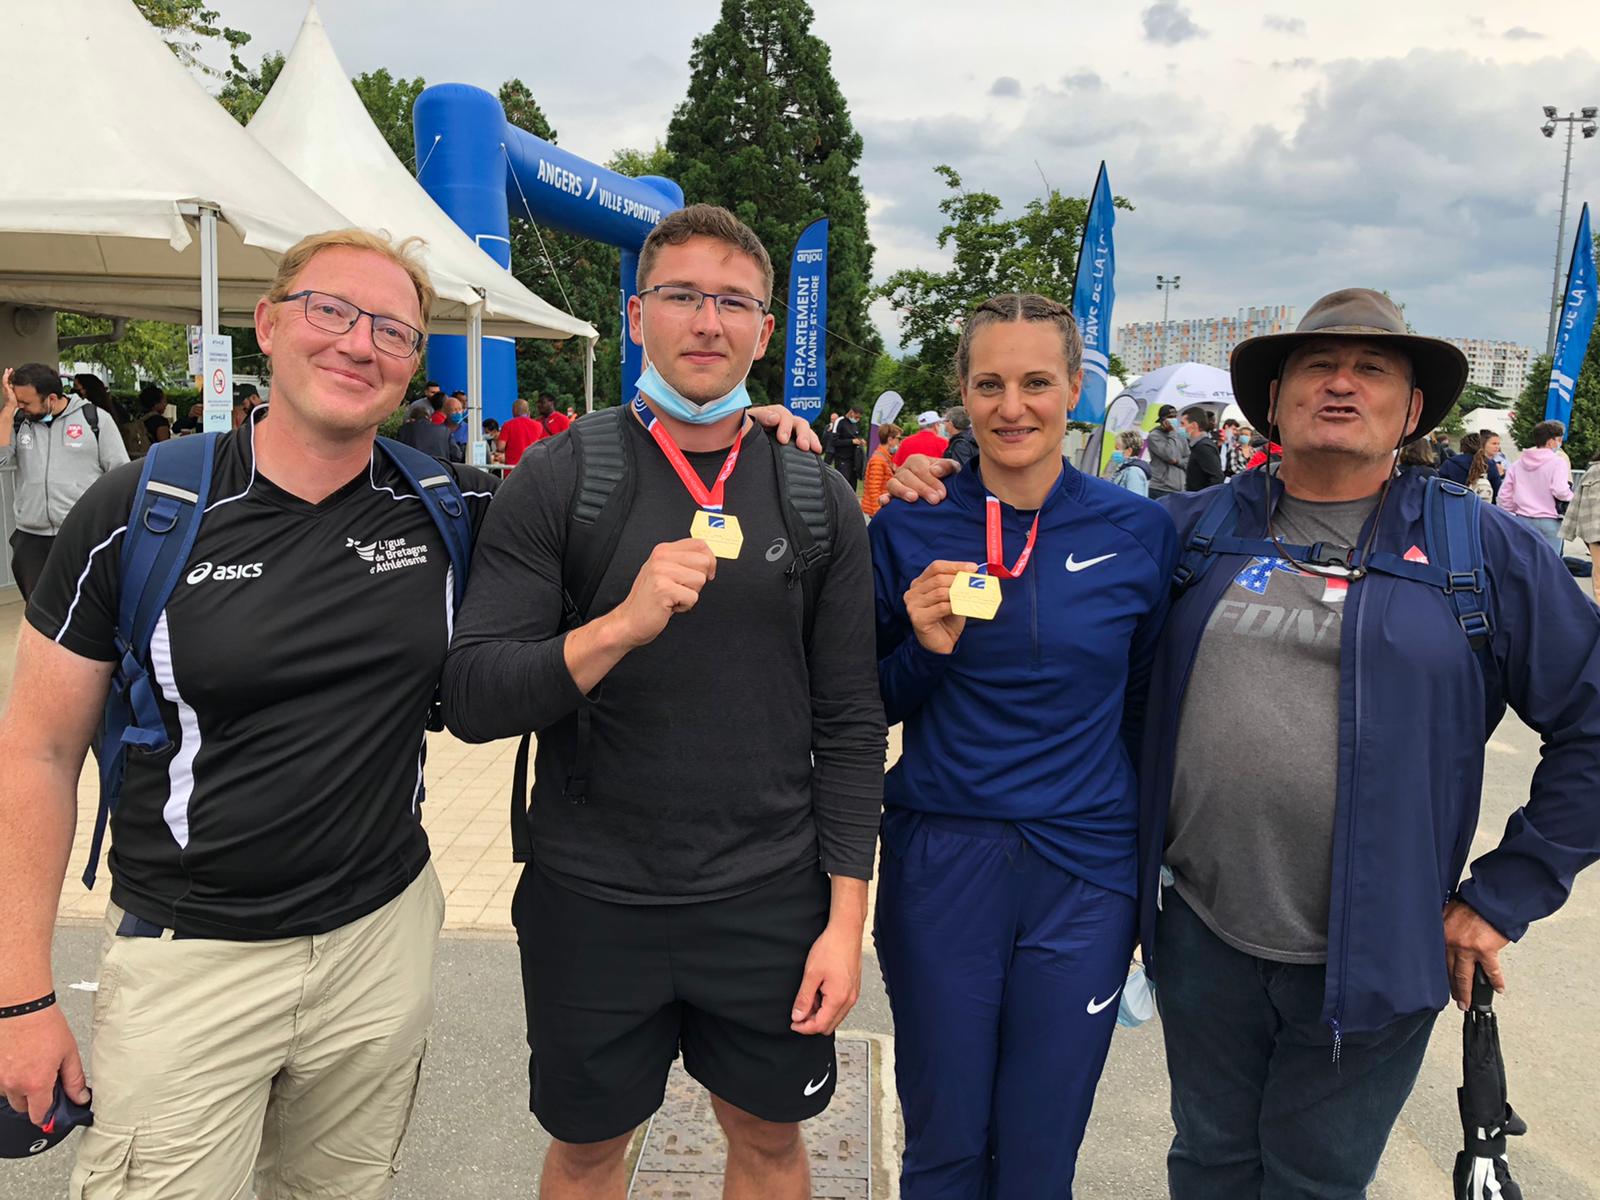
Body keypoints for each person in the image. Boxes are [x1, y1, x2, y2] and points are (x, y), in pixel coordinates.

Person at [880, 287, 1600, 1200]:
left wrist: (1502, 897)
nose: (1341, 386)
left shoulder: (1483, 550)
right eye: (1317, 367)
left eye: (1372, 370)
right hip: (1201, 933)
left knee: (1313, 1181)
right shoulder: (1183, 531)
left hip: (1378, 946)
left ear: (1413, 408)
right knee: (1209, 1165)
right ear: (1274, 399)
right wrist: (933, 474)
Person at [0, 229, 498, 1199]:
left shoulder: (443, 506)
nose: (359, 343)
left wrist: (747, 432)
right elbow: (37, 751)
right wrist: (20, 994)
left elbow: (601, 513)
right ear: (267, 324)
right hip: (193, 960)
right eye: (330, 310)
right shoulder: (138, 509)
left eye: (393, 330)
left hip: (380, 940)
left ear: (410, 368)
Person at [441, 203, 881, 1200]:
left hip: (769, 896)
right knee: (590, 1151)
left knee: (768, 1144)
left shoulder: (814, 495)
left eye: (735, 302)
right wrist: (619, 626)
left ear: (766, 330)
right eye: (682, 296)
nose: (708, 322)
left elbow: (851, 721)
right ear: (636, 313)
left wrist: (843, 918)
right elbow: (472, 695)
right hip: (591, 898)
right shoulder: (562, 476)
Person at [869, 294, 1175, 1197]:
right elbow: (861, 705)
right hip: (942, 862)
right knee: (947, 1147)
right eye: (990, 383)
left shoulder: (1138, 533)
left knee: (1040, 1158)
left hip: (1083, 874)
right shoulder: (907, 525)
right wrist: (922, 654)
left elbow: (1143, 710)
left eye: (1037, 382)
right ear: (961, 395)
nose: (1014, 407)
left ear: (1075, 389)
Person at [0, 363, 130, 601]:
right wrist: (9, 408)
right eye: (17, 401)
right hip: (31, 539)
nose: (21, 407)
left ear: (51, 398)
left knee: (84, 608)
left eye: (25, 403)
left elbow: (121, 477)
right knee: (38, 613)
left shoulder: (95, 420)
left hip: (81, 535)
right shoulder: (19, 422)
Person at [1497, 420, 1572, 554]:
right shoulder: (1557, 462)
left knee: (1524, 564)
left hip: (1522, 519)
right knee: (1550, 565)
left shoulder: (1517, 464)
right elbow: (1560, 490)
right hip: (1550, 521)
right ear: (1550, 442)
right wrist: (1571, 497)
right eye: (1559, 440)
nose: (1560, 443)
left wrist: (1515, 509)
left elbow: (1504, 495)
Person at [1561, 449, 1600, 605]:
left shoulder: (1592, 472)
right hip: (1594, 532)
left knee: (1598, 578)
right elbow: (1578, 502)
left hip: (1594, 532)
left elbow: (1577, 502)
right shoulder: (1593, 471)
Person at [1440, 428, 1503, 500]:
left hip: (1453, 504)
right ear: (1482, 446)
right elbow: (1498, 491)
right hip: (1481, 507)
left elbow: (1440, 487)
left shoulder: (1450, 463)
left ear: (1462, 447)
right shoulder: (1489, 464)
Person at [1146, 403, 1189, 498]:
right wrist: (1172, 432)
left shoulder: (1180, 435)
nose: (1173, 420)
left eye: (1175, 417)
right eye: (1170, 417)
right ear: (1162, 420)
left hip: (1180, 488)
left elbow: (1188, 458)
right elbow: (1170, 456)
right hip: (1161, 488)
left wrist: (1178, 462)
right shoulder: (1154, 436)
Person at [862, 422, 901, 517]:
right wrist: (878, 512)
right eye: (898, 438)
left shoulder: (886, 456)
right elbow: (874, 489)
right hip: (878, 508)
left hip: (883, 506)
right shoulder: (878, 460)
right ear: (890, 439)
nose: (899, 442)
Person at [1181, 406, 1223, 491]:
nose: (1180, 427)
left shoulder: (1204, 447)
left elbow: (1216, 477)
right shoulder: (1196, 445)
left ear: (1194, 425)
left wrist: (1204, 499)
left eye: (1183, 424)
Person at [499, 398, 547, 467]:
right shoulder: (538, 425)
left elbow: (500, 447)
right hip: (532, 466)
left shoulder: (507, 425)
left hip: (513, 468)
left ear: (513, 411)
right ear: (527, 411)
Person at [828, 404, 864, 488]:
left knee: (852, 485)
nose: (857, 419)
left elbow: (855, 436)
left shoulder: (855, 424)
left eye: (859, 418)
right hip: (842, 459)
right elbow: (834, 441)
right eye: (856, 417)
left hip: (853, 460)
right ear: (851, 412)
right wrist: (851, 442)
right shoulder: (840, 421)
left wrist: (860, 440)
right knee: (843, 484)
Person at [1110, 429, 1151, 496]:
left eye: (1117, 449)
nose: (1114, 452)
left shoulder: (1134, 471)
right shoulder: (1124, 467)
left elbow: (1135, 500)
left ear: (1129, 451)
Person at [445, 393, 468, 462]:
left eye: (460, 409)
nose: (458, 412)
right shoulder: (439, 429)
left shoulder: (469, 429)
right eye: (454, 410)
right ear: (446, 411)